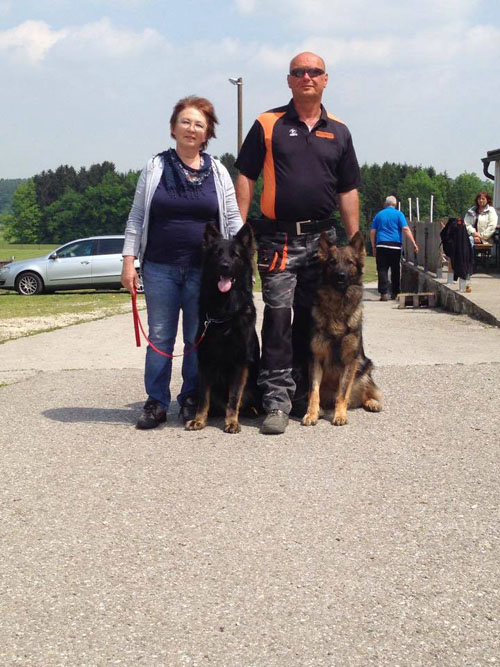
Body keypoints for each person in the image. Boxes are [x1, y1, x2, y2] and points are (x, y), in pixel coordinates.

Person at [235, 51, 361, 435]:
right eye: (299, 72)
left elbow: (349, 190)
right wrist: (241, 235)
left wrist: (354, 248)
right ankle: (275, 400)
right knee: (277, 319)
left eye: (314, 72)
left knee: (316, 320)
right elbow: (245, 176)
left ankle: (309, 394)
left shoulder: (339, 130)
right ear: (289, 80)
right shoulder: (267, 123)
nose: (307, 77)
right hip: (279, 239)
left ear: (326, 80)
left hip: (324, 244)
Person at [122, 96, 243, 429]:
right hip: (159, 267)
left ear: (208, 134)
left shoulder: (218, 171)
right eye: (186, 122)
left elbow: (231, 217)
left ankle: (191, 398)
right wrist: (128, 261)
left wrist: (242, 253)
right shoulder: (155, 167)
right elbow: (136, 216)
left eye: (199, 124)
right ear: (174, 127)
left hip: (204, 272)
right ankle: (157, 402)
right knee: (160, 337)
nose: (192, 129)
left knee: (195, 337)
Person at [370, 195, 418, 301]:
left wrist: (373, 246)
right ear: (395, 204)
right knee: (395, 269)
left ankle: (383, 293)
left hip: (381, 244)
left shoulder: (379, 215)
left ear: (385, 204)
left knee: (382, 269)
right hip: (395, 246)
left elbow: (373, 232)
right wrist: (413, 243)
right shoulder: (399, 214)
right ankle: (395, 293)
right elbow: (405, 228)